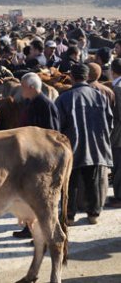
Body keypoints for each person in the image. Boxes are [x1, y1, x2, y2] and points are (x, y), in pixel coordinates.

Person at [55, 64, 113, 225]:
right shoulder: (100, 96)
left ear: (72, 77)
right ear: (87, 77)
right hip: (96, 146)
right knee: (93, 181)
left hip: (72, 147)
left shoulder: (64, 98)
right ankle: (93, 214)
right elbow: (110, 122)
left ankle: (69, 216)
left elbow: (57, 126)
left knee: (70, 183)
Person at [13, 72, 60, 238]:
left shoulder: (45, 105)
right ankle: (30, 228)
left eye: (23, 86)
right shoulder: (30, 102)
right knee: (29, 197)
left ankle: (42, 233)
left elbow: (52, 133)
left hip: (39, 159)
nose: (21, 90)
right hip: (29, 156)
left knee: (40, 198)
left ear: (31, 87)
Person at [106, 59, 121, 208]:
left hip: (119, 135)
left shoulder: (118, 89)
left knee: (118, 166)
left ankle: (119, 197)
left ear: (113, 71)